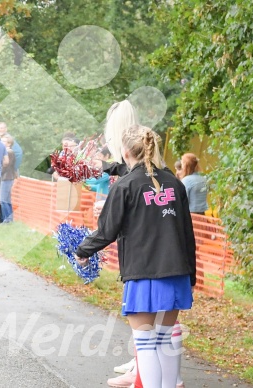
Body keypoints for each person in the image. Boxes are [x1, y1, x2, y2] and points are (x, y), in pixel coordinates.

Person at [75, 124, 196, 388]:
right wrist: (191, 276)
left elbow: (107, 230)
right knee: (164, 340)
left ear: (126, 151)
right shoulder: (175, 183)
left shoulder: (126, 185)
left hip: (144, 273)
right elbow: (188, 233)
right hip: (177, 272)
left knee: (146, 344)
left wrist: (82, 251)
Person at [0, 134, 16, 223]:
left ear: (9, 143)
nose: (2, 143)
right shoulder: (6, 152)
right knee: (6, 199)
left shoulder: (9, 152)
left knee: (3, 200)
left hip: (7, 178)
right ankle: (9, 218)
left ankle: (8, 219)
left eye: (4, 141)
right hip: (6, 177)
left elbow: (6, 165)